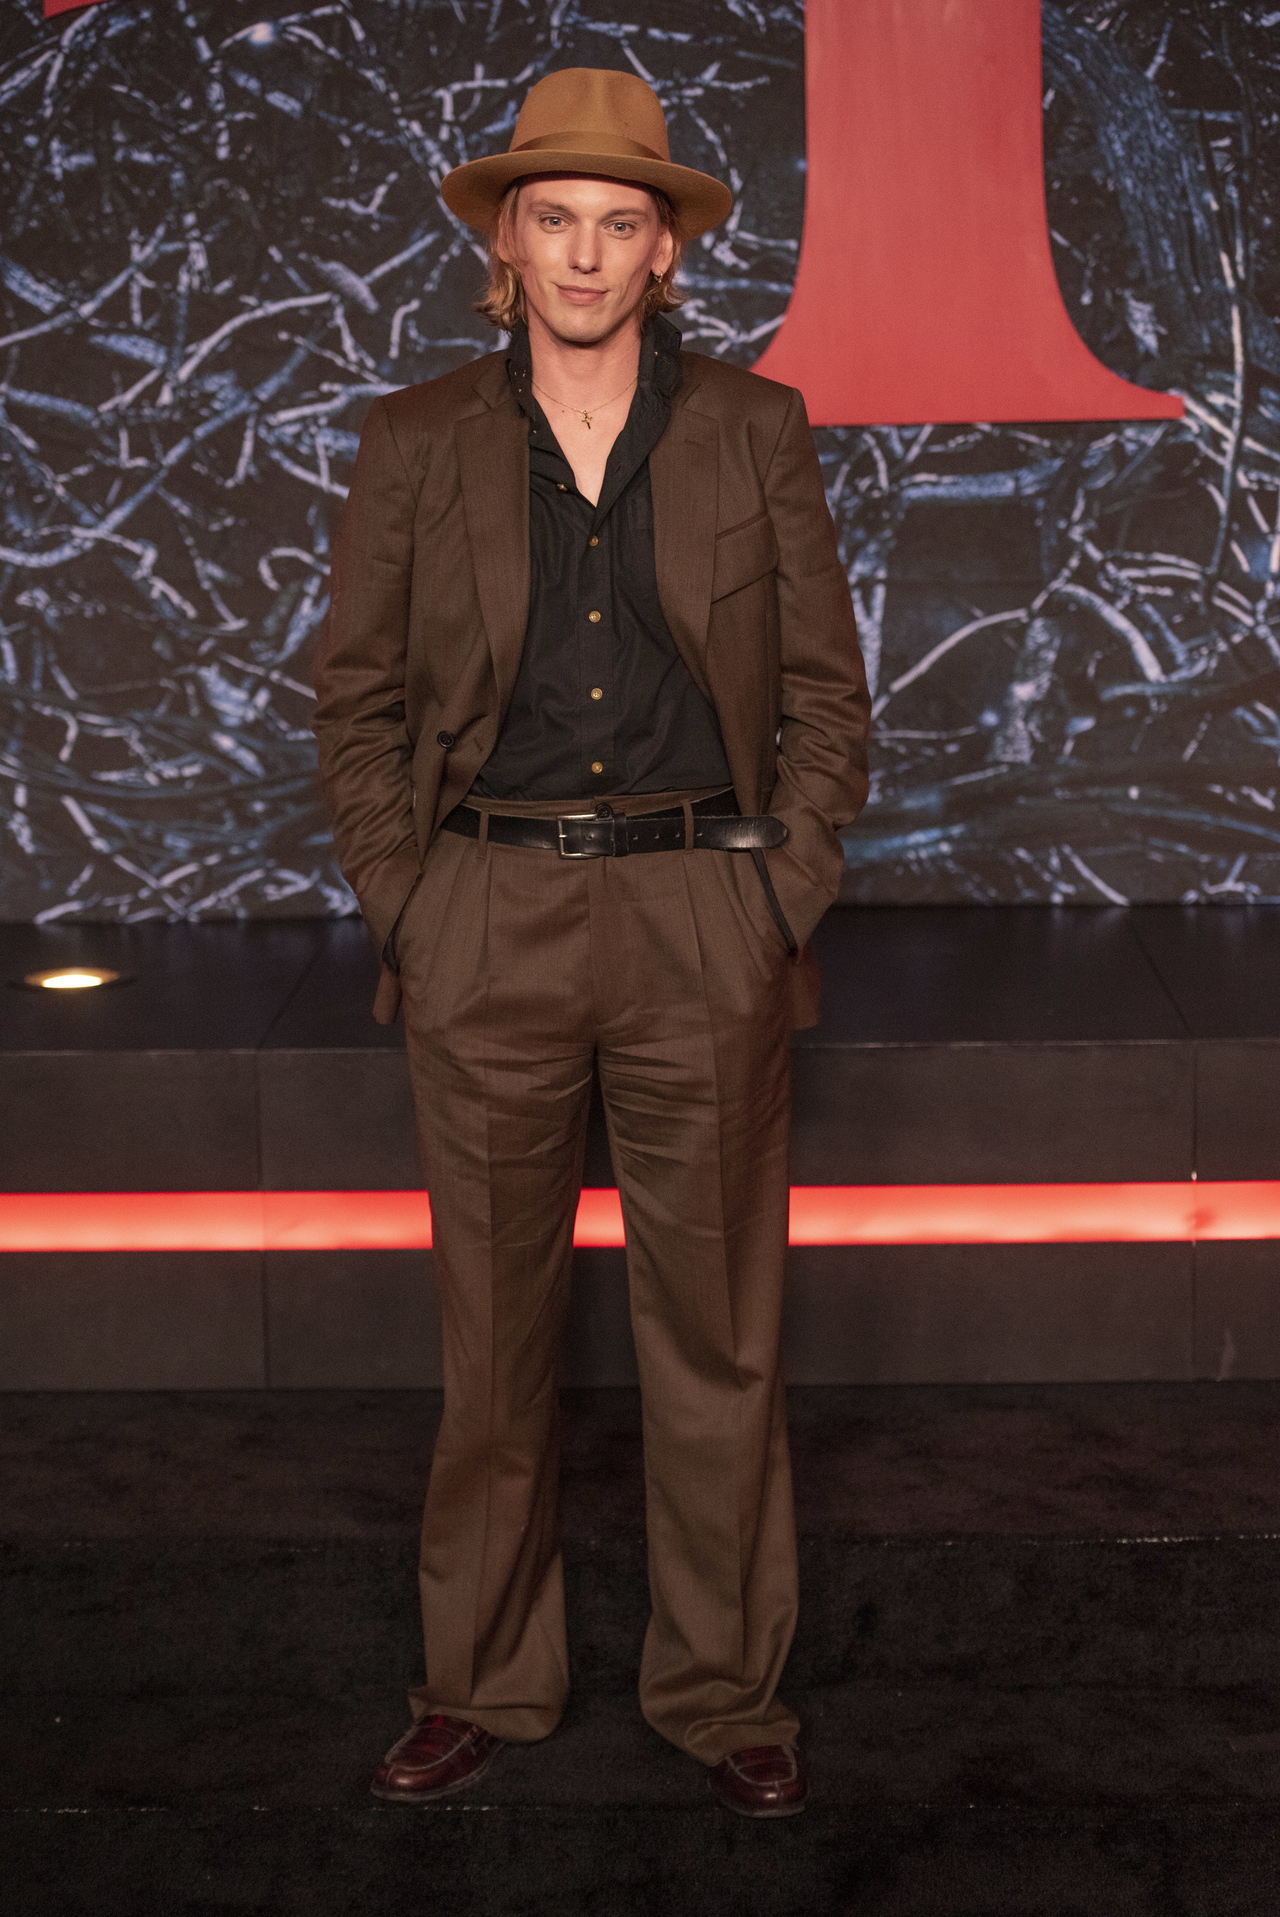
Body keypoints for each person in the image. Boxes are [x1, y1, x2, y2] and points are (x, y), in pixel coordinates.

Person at [313, 65, 869, 1818]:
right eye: (552, 217)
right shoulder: (417, 440)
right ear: (505, 238)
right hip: (489, 913)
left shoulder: (754, 429)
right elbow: (356, 703)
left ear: (664, 252)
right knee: (496, 1346)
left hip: (702, 908)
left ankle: (726, 1692)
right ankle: (480, 1677)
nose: (582, 251)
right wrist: (416, 904)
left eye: (618, 223)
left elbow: (825, 699)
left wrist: (772, 897)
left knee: (720, 1340)